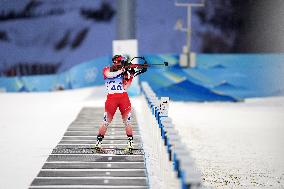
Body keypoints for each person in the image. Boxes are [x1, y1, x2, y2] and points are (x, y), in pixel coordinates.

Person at [95, 55, 135, 151]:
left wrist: (131, 76)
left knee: (127, 122)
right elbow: (110, 75)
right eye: (121, 62)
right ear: (116, 62)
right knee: (106, 122)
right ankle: (98, 143)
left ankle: (130, 143)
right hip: (111, 99)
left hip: (123, 98)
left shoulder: (123, 72)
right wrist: (122, 70)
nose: (122, 64)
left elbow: (125, 87)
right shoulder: (107, 70)